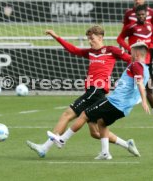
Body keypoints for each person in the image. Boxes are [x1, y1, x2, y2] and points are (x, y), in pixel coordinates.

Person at [26, 25, 141, 158]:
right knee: (95, 133)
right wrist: (55, 36)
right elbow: (73, 49)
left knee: (67, 114)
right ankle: (127, 145)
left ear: (100, 37)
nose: (89, 41)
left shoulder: (111, 50)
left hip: (96, 90)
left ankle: (45, 147)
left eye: (92, 38)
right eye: (88, 38)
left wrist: (131, 81)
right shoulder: (90, 52)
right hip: (95, 93)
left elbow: (132, 61)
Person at [47, 42, 151, 160]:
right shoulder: (146, 69)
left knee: (84, 114)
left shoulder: (135, 65)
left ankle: (62, 139)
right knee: (102, 122)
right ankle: (105, 153)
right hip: (125, 108)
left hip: (114, 102)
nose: (129, 54)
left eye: (131, 52)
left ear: (137, 53)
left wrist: (143, 100)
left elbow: (139, 84)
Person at [117, 4, 153, 123]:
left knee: (149, 88)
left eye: (143, 14)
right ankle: (120, 105)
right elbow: (119, 39)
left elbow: (152, 39)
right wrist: (130, 49)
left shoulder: (150, 26)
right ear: (136, 16)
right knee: (135, 88)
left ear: (146, 15)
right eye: (139, 15)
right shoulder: (131, 27)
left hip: (147, 61)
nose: (141, 16)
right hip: (136, 62)